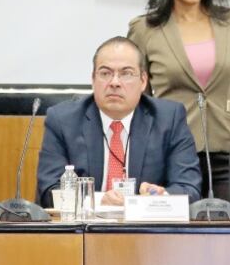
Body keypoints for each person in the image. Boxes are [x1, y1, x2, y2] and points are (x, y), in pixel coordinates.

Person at [128, 0, 230, 203]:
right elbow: (138, 98)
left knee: (228, 234)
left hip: (226, 151)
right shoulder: (145, 30)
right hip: (171, 153)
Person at [35, 36, 200, 206]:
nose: (114, 82)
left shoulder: (168, 119)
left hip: (146, 231)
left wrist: (159, 197)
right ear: (93, 79)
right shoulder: (63, 120)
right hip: (85, 229)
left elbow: (189, 188)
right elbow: (49, 191)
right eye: (105, 73)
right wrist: (99, 201)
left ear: (143, 81)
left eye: (126, 73)